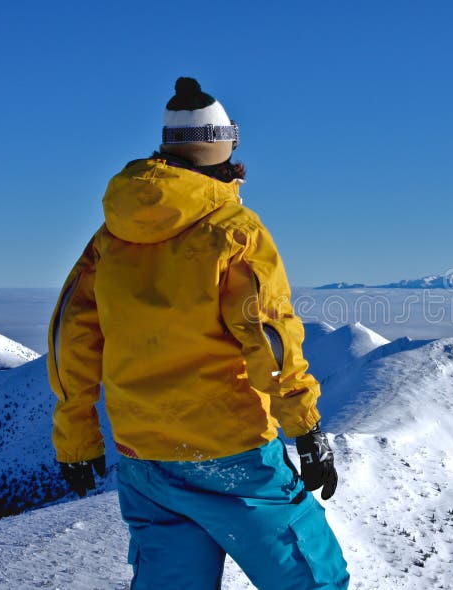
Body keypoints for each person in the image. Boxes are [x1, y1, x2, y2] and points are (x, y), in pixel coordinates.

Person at [47, 77, 350, 590]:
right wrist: (305, 428)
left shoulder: (111, 236)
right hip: (231, 451)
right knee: (314, 580)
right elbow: (268, 336)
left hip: (144, 457)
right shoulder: (234, 228)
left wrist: (77, 438)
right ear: (224, 147)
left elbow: (72, 339)